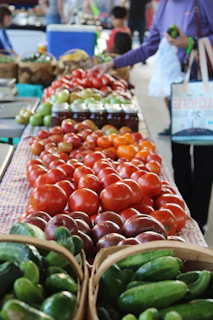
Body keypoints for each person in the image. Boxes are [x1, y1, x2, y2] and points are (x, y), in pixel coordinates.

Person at [90, 0, 213, 234]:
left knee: (205, 154)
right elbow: (148, 47)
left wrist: (193, 42)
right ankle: (186, 212)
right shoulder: (165, 6)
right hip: (179, 90)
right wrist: (114, 63)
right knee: (180, 153)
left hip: (206, 88)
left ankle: (200, 218)